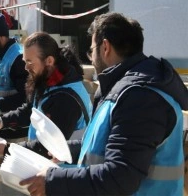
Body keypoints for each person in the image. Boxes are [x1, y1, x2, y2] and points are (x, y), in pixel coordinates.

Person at [18, 12, 188, 195]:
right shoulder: (121, 90)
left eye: (91, 50)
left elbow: (120, 177)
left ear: (105, 47)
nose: (91, 57)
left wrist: (52, 181)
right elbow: (102, 147)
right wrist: (67, 150)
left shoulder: (141, 97)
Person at [0, 32, 92, 147]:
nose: (26, 68)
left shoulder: (66, 99)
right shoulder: (45, 81)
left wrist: (7, 148)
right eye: (25, 62)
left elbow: (50, 147)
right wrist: (2, 121)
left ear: (49, 61)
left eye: (30, 62)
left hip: (63, 164)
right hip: (43, 161)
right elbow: (31, 111)